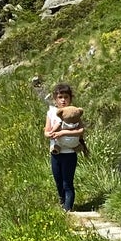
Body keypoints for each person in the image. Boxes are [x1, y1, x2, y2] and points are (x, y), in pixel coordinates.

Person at [44, 82, 86, 211]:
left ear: (70, 98)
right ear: (55, 99)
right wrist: (50, 134)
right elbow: (46, 131)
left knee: (67, 183)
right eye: (60, 97)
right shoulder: (51, 113)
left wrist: (62, 132)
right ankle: (62, 203)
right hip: (55, 153)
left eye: (66, 97)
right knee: (58, 182)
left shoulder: (73, 113)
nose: (63, 100)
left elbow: (81, 131)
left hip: (69, 154)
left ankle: (68, 210)